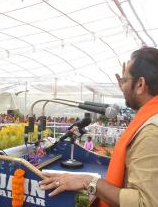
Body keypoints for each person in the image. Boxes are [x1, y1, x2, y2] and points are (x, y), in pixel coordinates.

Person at [39, 47, 158, 207]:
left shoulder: (151, 133)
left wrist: (89, 182)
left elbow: (145, 203)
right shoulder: (150, 116)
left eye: (126, 80)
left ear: (141, 84)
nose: (122, 86)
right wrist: (128, 87)